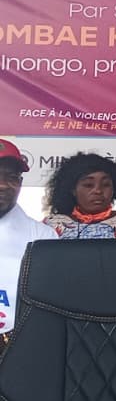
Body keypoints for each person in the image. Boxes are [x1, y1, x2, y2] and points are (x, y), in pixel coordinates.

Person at [0, 139, 57, 343]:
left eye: (12, 177)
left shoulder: (43, 237)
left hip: (21, 346)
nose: (3, 185)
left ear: (21, 183)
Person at [42, 152, 116, 239]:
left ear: (114, 188)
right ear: (72, 190)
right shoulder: (51, 223)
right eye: (88, 185)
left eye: (106, 184)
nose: (98, 191)